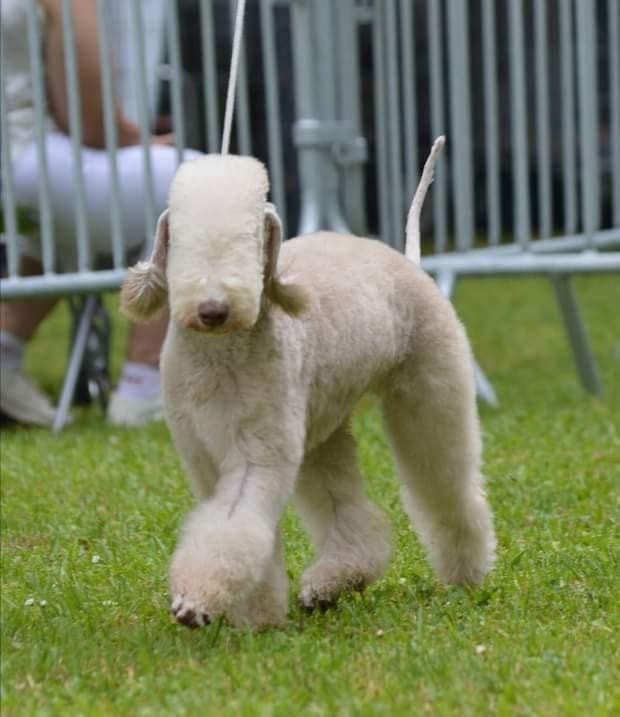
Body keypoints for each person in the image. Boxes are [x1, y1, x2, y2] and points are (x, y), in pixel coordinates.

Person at [0, 0, 200, 427]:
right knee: (197, 184)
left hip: (17, 171)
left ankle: (3, 352)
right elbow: (89, 119)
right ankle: (145, 386)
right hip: (24, 158)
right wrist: (144, 142)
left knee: (60, 226)